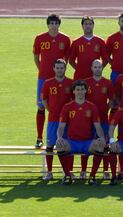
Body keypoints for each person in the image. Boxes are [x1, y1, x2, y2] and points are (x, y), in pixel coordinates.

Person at [56, 80, 106, 185]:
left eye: (82, 89)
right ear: (73, 91)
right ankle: (67, 176)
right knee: (59, 145)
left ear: (86, 91)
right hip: (72, 142)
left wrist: (101, 137)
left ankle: (92, 176)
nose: (80, 92)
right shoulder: (67, 107)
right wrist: (59, 137)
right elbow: (61, 127)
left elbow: (98, 127)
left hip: (87, 143)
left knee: (100, 145)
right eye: (77, 89)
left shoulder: (92, 107)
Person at [33, 14, 71, 148]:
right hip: (43, 78)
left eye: (56, 23)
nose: (54, 26)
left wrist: (58, 72)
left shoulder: (65, 39)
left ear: (59, 24)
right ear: (48, 25)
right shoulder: (39, 38)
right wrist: (43, 71)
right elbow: (36, 58)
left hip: (59, 79)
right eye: (52, 23)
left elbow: (66, 59)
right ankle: (39, 137)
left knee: (60, 107)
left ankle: (62, 137)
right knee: (41, 106)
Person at [40, 59, 73, 181]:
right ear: (54, 69)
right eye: (57, 68)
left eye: (62, 68)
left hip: (67, 121)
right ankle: (49, 172)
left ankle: (69, 172)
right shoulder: (48, 83)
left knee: (68, 146)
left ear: (65, 69)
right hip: (53, 120)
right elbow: (44, 101)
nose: (60, 70)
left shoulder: (70, 83)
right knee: (50, 145)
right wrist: (51, 111)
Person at [85, 59, 115, 180]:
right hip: (88, 121)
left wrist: (105, 109)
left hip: (103, 119)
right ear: (92, 68)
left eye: (99, 67)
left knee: (105, 146)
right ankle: (83, 170)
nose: (97, 69)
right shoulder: (86, 83)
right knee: (87, 144)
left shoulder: (107, 83)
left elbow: (112, 100)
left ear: (102, 68)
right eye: (95, 67)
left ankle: (106, 170)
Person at [69, 16, 108, 80]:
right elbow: (71, 61)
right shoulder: (76, 42)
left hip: (95, 77)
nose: (88, 26)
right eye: (86, 24)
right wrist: (79, 69)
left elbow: (105, 59)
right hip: (80, 77)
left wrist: (98, 70)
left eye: (90, 24)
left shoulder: (100, 41)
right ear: (82, 26)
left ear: (93, 25)